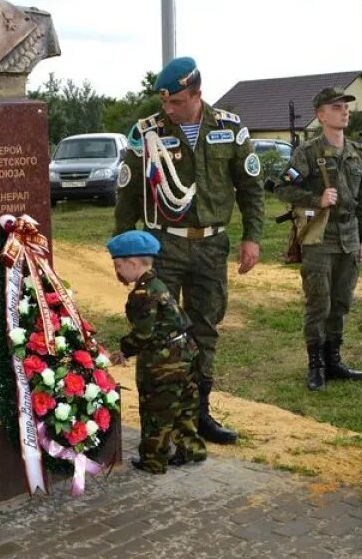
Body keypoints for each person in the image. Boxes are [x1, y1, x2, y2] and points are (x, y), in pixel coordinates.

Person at [113, 56, 264, 445]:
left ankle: (198, 414)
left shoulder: (230, 129)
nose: (168, 109)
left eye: (176, 102)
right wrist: (121, 250)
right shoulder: (146, 133)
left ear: (197, 94)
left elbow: (250, 188)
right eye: (165, 102)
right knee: (159, 331)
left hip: (212, 245)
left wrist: (253, 237)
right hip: (163, 244)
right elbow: (127, 194)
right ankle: (163, 416)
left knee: (204, 329)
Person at [273, 87, 362, 391]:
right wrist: (317, 198)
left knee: (342, 301)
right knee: (319, 302)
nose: (344, 111)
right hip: (319, 237)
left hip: (350, 236)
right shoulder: (308, 152)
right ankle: (315, 363)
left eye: (345, 106)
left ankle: (334, 359)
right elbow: (282, 188)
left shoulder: (359, 154)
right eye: (336, 107)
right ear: (320, 115)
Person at [107, 230, 207, 474]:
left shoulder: (142, 294)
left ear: (133, 263)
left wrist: (123, 350)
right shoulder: (157, 283)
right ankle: (191, 448)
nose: (118, 272)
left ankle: (153, 460)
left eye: (119, 266)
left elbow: (143, 334)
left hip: (163, 362)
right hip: (185, 352)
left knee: (156, 412)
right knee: (185, 405)